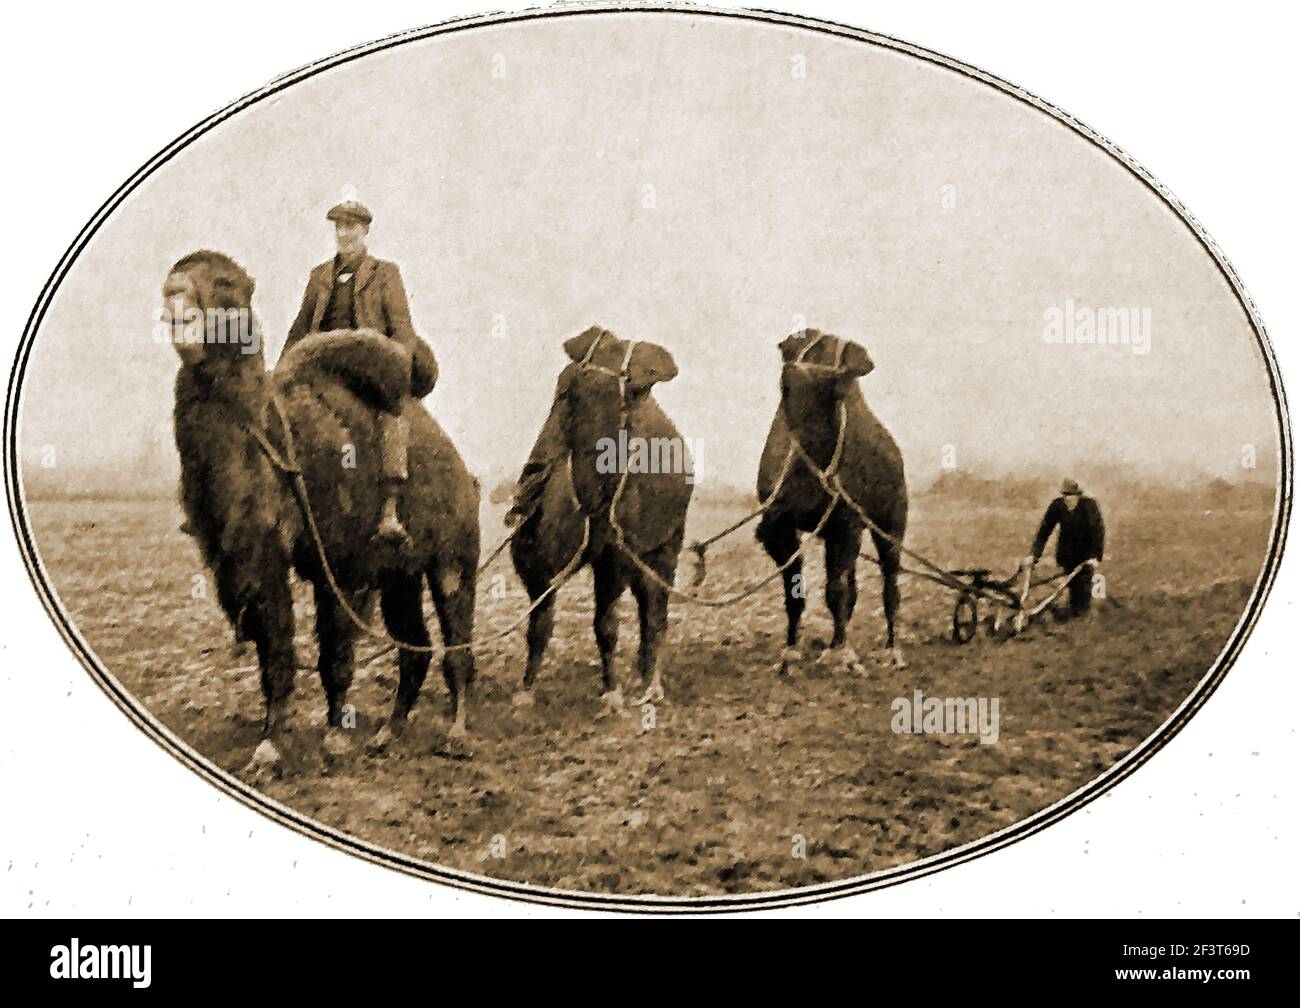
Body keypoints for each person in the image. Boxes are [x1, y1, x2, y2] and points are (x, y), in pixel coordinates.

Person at [281, 197, 433, 547]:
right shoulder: (319, 275)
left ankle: (390, 508)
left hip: (368, 362)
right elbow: (301, 327)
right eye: (339, 227)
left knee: (389, 415)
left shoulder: (385, 273)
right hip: (320, 366)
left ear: (365, 230)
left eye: (351, 226)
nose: (344, 233)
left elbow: (402, 328)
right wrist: (282, 369)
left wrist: (397, 365)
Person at [1028, 478, 1105, 618]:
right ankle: (1074, 613)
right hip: (1067, 553)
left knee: (1084, 585)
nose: (1067, 499)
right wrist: (1034, 554)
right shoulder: (1057, 506)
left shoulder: (1089, 506)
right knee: (1072, 586)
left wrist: (1095, 556)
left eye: (1071, 495)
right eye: (1065, 495)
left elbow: (1097, 531)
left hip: (1085, 554)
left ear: (1078, 495)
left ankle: (1083, 616)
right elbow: (1045, 530)